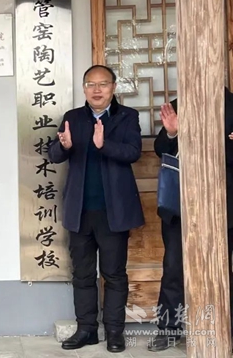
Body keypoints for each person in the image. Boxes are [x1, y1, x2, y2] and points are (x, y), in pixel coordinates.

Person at [49, 65, 144, 353]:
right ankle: (86, 329)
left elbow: (133, 152)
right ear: (84, 88)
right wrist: (65, 146)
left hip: (113, 211)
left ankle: (114, 332)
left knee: (114, 274)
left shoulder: (127, 116)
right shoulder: (73, 118)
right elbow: (54, 155)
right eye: (91, 84)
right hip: (80, 210)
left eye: (103, 84)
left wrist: (104, 145)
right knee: (83, 274)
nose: (97, 89)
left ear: (113, 87)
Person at [149, 86, 233, 351]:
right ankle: (169, 329)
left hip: (224, 204)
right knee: (174, 267)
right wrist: (173, 133)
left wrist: (218, 143)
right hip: (181, 203)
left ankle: (225, 329)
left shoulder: (231, 105)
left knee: (224, 269)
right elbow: (161, 148)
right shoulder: (179, 104)